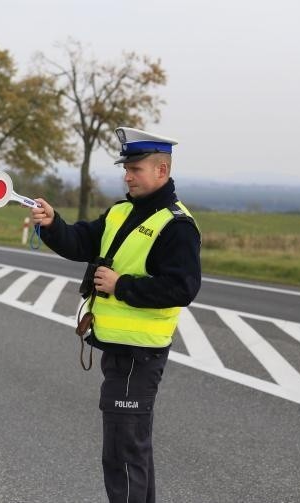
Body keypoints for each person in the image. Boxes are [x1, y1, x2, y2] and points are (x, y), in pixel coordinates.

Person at [30, 127, 201, 503]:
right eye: (126, 168)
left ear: (162, 170)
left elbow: (183, 288)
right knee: (133, 452)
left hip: (140, 355)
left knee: (123, 455)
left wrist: (121, 286)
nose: (127, 175)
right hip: (119, 351)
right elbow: (80, 242)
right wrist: (52, 223)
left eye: (136, 168)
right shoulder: (121, 212)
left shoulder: (176, 225)